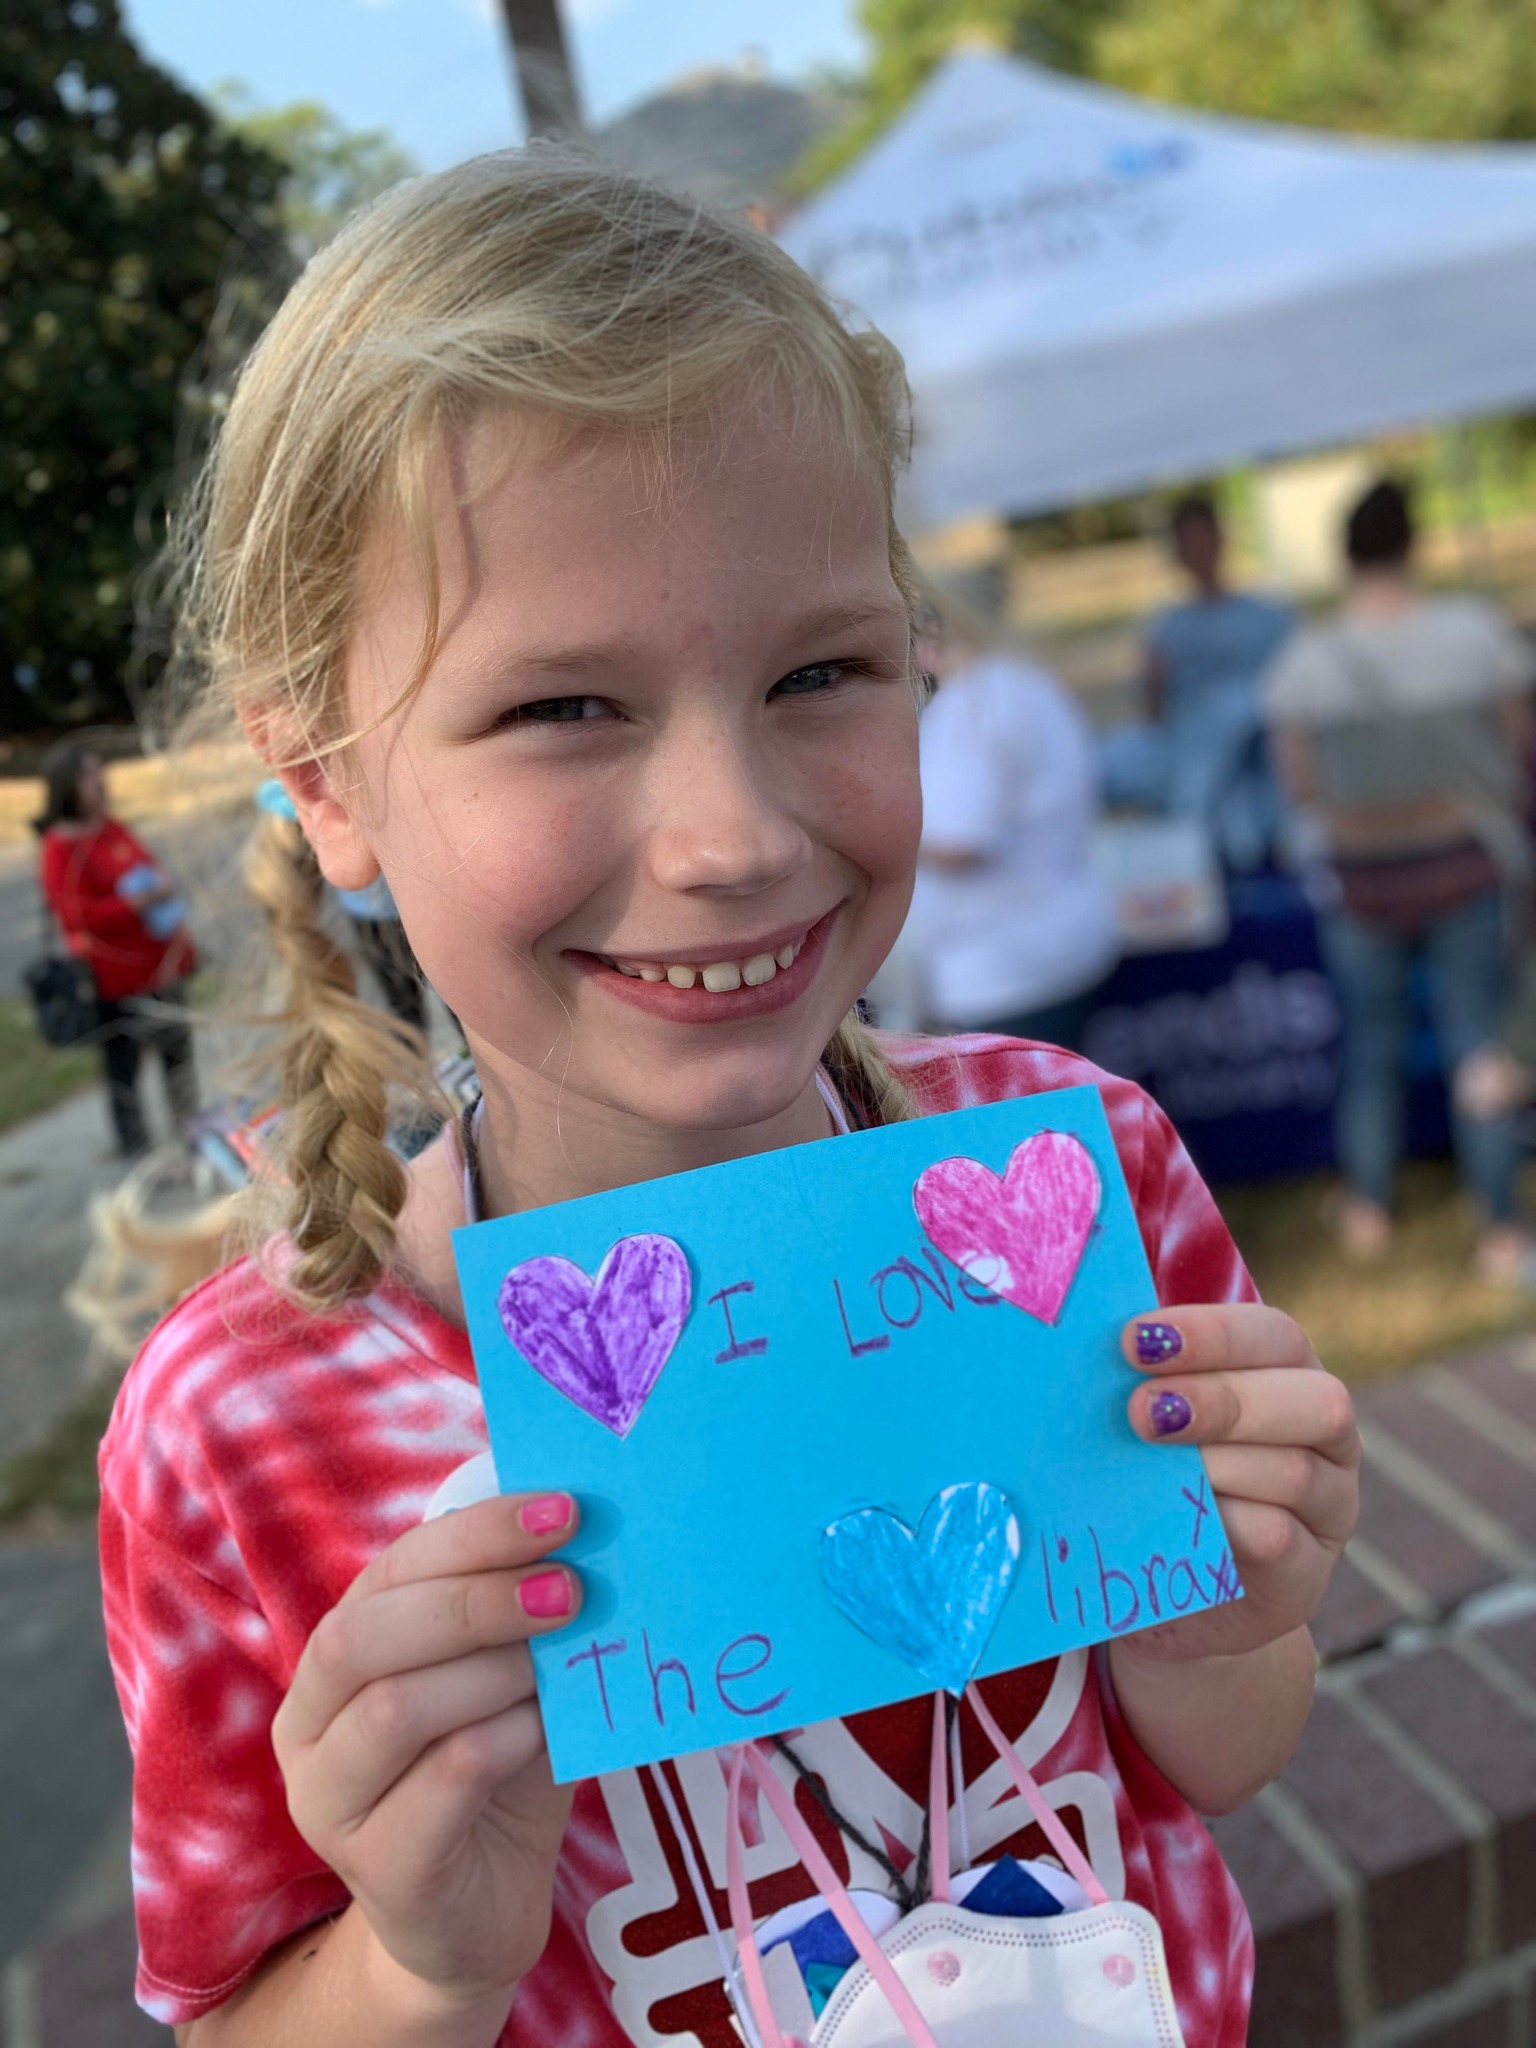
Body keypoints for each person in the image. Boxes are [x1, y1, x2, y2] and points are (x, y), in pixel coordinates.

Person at [95, 150, 1358, 2048]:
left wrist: (1227, 1618)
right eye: (562, 707)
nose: (735, 835)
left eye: (821, 670)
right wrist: (421, 1954)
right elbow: (229, 2012)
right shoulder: (243, 1434)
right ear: (328, 783)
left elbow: (1220, 1751)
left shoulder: (1074, 1179)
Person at [1266, 478, 1536, 1274]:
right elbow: (1520, 755)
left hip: (1362, 881)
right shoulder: (1476, 636)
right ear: (1413, 543)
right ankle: (1502, 1224)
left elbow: (1301, 790)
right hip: (1468, 865)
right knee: (1481, 1039)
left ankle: (1371, 1205)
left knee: (1372, 1042)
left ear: (1343, 553)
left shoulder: (1306, 661)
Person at [904, 588, 1119, 1048]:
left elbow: (963, 842)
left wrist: (872, 832)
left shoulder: (975, 702)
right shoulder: (1023, 682)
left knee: (1032, 1118)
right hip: (1046, 948)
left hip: (1005, 966)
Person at [1102, 495, 1293, 869]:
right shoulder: (1167, 628)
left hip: (1257, 766)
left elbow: (1291, 704)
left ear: (1222, 539)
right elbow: (1154, 719)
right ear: (1177, 553)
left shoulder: (1268, 617)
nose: (1199, 551)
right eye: (1188, 543)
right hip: (1191, 768)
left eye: (1204, 539)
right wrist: (1155, 684)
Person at [34, 739, 198, 1157]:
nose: (99, 782)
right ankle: (136, 1145)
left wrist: (157, 889)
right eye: (87, 775)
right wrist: (134, 903)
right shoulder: (60, 846)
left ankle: (192, 1130)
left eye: (98, 772)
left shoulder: (111, 828)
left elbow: (147, 867)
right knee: (123, 1065)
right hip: (114, 976)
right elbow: (74, 915)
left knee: (177, 1053)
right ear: (66, 786)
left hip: (159, 962)